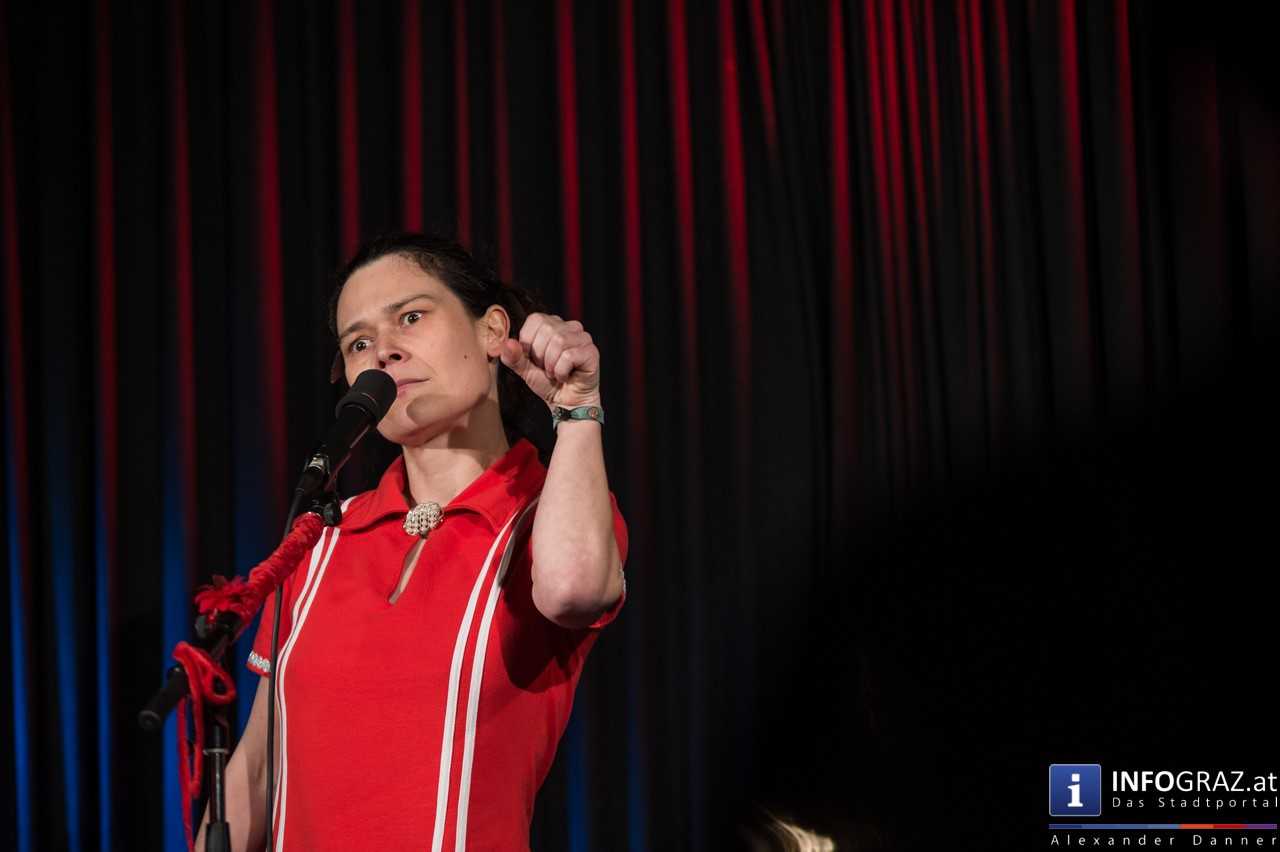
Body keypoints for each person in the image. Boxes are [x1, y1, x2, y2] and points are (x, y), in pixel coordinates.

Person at [197, 232, 628, 851]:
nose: (384, 352)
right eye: (359, 343)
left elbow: (572, 592)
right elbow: (259, 770)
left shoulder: (548, 513)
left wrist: (577, 407)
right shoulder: (321, 538)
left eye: (411, 317)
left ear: (492, 330)